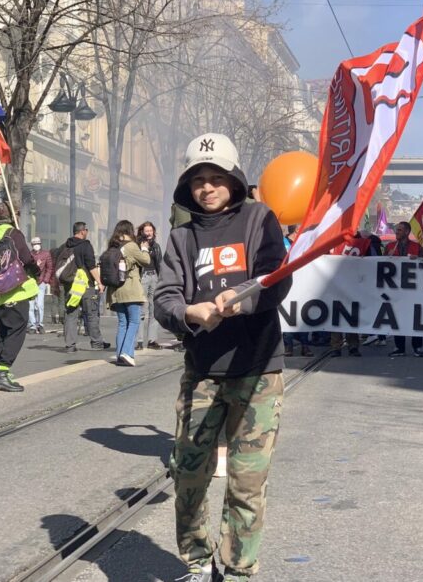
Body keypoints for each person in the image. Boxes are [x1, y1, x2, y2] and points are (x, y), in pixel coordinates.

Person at [154, 132, 291, 582]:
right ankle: (196, 561)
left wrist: (243, 297)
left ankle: (237, 570)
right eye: (198, 180)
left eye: (216, 178)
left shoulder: (260, 219)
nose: (207, 187)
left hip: (258, 373)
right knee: (189, 477)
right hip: (202, 375)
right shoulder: (181, 237)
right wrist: (187, 312)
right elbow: (165, 297)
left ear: (234, 180)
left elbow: (277, 278)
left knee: (246, 485)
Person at [0, 203, 40, 392]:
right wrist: (36, 271)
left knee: (2, 332)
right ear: (14, 215)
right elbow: (26, 258)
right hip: (17, 289)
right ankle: (2, 372)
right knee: (17, 330)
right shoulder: (14, 234)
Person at [105, 220, 150, 366]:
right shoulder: (131, 246)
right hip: (130, 289)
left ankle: (120, 355)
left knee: (123, 323)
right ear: (129, 231)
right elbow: (146, 260)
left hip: (115, 291)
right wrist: (144, 249)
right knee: (134, 321)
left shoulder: (113, 246)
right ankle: (126, 352)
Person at [61, 222, 109, 353]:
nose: (87, 232)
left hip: (70, 286)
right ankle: (97, 342)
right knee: (91, 314)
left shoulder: (66, 245)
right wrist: (99, 282)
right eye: (86, 230)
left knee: (71, 315)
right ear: (82, 231)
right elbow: (91, 266)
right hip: (86, 285)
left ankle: (70, 345)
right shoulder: (85, 245)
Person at [386, 221, 423, 357]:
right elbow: (380, 265)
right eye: (396, 230)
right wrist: (387, 257)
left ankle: (417, 346)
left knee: (416, 317)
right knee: (398, 317)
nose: (397, 232)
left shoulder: (416, 247)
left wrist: (419, 259)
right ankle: (400, 347)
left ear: (407, 232)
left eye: (400, 230)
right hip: (396, 290)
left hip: (413, 289)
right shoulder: (390, 246)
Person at [282, 225, 312, 357]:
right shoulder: (282, 243)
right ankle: (288, 346)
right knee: (288, 314)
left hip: (302, 283)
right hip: (286, 284)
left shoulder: (303, 243)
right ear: (296, 230)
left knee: (303, 315)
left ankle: (305, 346)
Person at [135, 221, 163, 350]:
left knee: (154, 309)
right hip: (143, 277)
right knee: (141, 310)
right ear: (142, 232)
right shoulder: (138, 245)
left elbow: (160, 264)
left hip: (154, 277)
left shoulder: (156, 246)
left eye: (151, 230)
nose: (149, 233)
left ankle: (152, 340)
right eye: (146, 231)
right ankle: (139, 341)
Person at [28, 236, 53, 334]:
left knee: (40, 305)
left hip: (41, 282)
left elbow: (49, 268)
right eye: (34, 244)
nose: (36, 246)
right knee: (31, 305)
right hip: (31, 283)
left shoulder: (46, 254)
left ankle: (40, 324)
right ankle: (32, 325)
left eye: (37, 244)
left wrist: (45, 280)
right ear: (32, 245)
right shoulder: (29, 255)